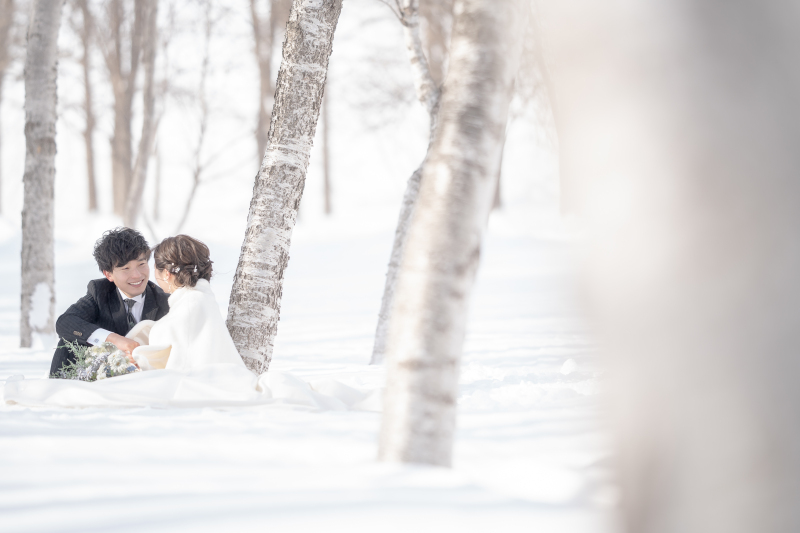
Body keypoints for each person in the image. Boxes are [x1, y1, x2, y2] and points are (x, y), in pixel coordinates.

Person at [49, 228, 170, 377]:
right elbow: (65, 322)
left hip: (148, 378)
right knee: (68, 340)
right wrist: (114, 340)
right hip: (103, 375)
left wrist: (140, 355)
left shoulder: (165, 301)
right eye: (126, 268)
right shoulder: (100, 293)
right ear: (109, 274)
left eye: (141, 264)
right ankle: (58, 389)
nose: (137, 275)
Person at [145, 234, 246, 371]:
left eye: (156, 269)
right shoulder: (202, 298)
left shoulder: (190, 304)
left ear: (167, 274)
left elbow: (160, 351)